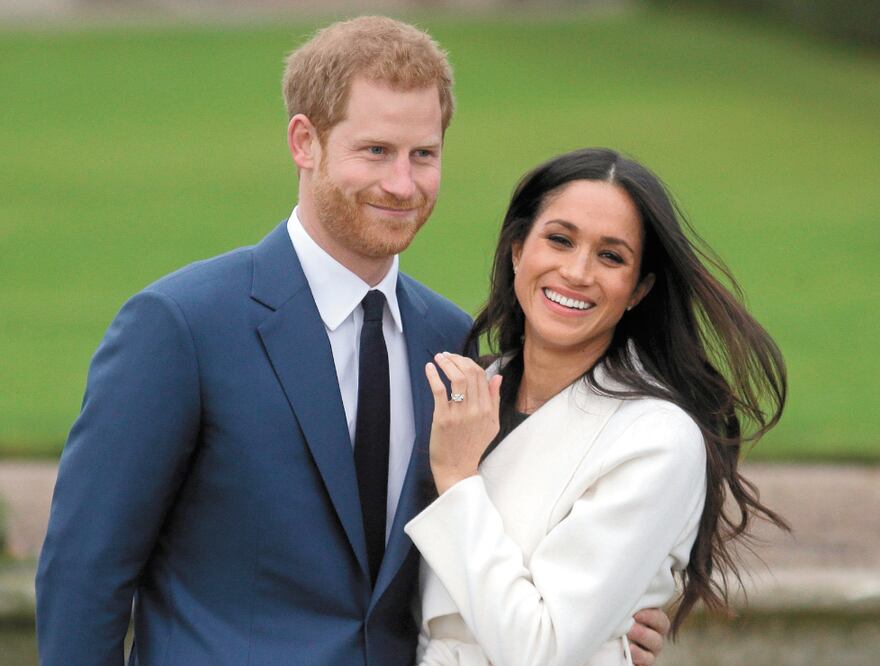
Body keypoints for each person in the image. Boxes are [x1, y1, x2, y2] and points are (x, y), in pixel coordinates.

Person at [35, 17, 666, 666]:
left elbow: (496, 541)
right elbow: (84, 575)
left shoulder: (455, 345)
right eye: (376, 152)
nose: (402, 184)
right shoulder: (180, 327)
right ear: (304, 143)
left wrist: (607, 624)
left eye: (423, 155)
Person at [403, 147, 789, 665]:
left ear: (638, 289)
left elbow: (542, 651)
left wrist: (457, 480)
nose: (577, 271)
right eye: (559, 240)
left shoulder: (655, 438)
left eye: (612, 257)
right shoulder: (469, 391)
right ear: (518, 250)